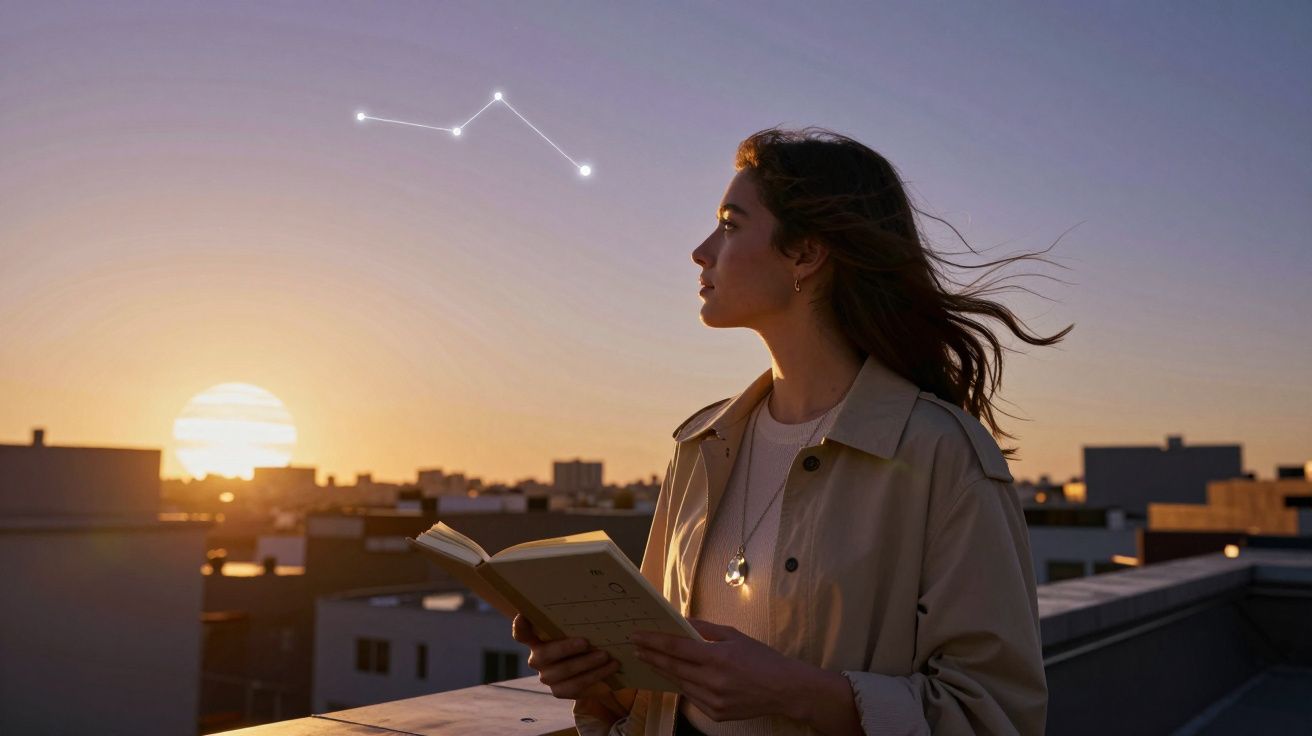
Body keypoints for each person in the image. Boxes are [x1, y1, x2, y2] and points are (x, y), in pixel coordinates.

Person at [514, 126, 1071, 735]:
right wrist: (598, 680)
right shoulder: (701, 446)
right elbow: (659, 689)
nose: (701, 252)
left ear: (805, 253)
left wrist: (795, 692)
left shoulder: (942, 454)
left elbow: (995, 714)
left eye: (729, 225)